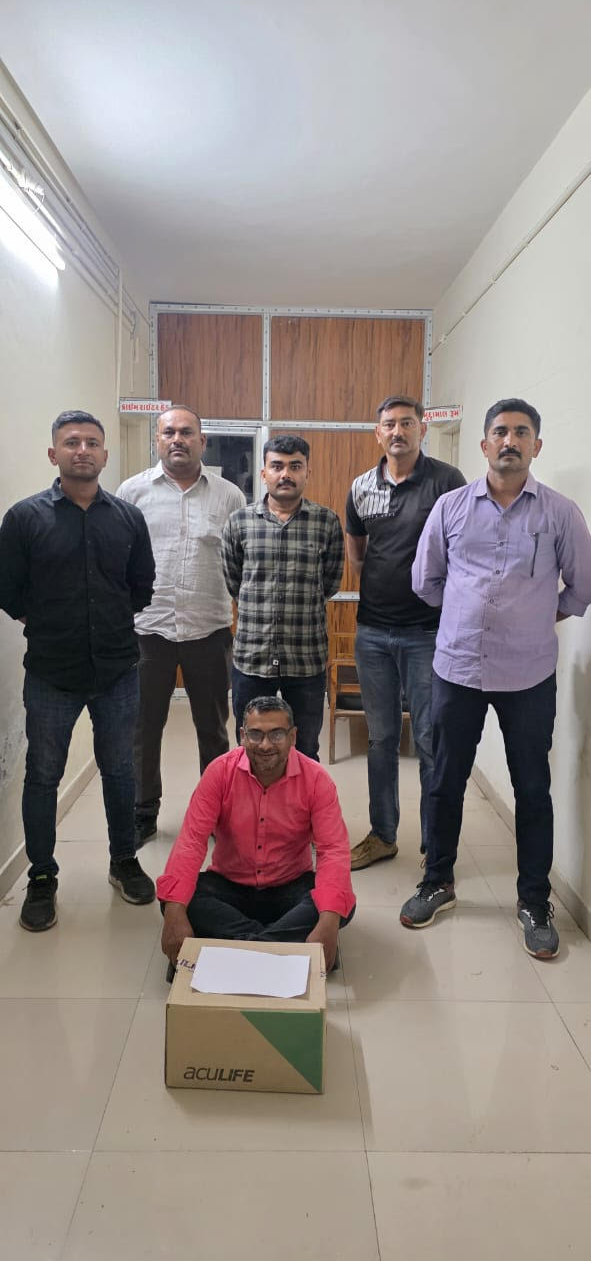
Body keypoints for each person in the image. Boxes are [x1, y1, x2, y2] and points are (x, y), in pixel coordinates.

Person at [399, 398, 591, 959]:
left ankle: (534, 901)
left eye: (521, 432)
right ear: (483, 445)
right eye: (500, 432)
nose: (510, 440)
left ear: (537, 445)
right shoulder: (451, 508)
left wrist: (534, 617)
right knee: (444, 780)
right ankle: (437, 881)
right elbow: (426, 580)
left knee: (532, 788)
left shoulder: (560, 514)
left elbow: (581, 587)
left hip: (528, 673)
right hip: (457, 668)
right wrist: (466, 614)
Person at [0, 411, 157, 932]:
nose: (82, 450)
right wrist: (45, 619)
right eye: (71, 442)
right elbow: (8, 588)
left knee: (120, 769)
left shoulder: (128, 518)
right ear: (54, 454)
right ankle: (42, 876)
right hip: (52, 671)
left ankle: (123, 860)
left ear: (105, 455)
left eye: (92, 442)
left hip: (117, 668)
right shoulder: (24, 518)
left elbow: (142, 585)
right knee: (44, 774)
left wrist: (105, 620)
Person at [346, 395, 465, 870]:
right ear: (378, 433)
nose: (398, 431)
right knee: (380, 740)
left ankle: (435, 845)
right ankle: (383, 835)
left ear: (422, 429)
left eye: (407, 423)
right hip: (372, 632)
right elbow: (357, 550)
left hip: (427, 634)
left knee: (430, 740)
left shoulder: (447, 481)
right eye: (389, 424)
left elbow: (462, 547)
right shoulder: (361, 486)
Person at [117, 405, 245, 847]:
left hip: (209, 629)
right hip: (147, 630)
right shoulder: (132, 492)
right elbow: (119, 559)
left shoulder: (229, 496)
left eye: (186, 432)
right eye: (169, 432)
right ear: (157, 440)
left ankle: (216, 812)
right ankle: (143, 811)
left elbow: (239, 563)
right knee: (143, 726)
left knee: (213, 727)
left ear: (202, 441)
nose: (177, 439)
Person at [158, 696, 356, 974]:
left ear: (293, 737)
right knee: (178, 901)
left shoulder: (316, 779)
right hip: (229, 885)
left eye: (276, 734)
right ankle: (276, 948)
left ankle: (237, 948)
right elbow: (191, 841)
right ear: (242, 736)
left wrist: (329, 921)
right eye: (255, 734)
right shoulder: (219, 772)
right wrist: (175, 911)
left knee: (336, 906)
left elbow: (333, 850)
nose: (265, 745)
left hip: (290, 886)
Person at [221, 435, 344, 760]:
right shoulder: (239, 522)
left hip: (306, 659)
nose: (285, 474)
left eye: (295, 466)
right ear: (264, 473)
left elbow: (330, 583)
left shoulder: (326, 522)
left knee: (305, 749)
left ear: (307, 472)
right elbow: (234, 582)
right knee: (249, 749)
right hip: (252, 658)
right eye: (277, 466)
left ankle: (298, 797)